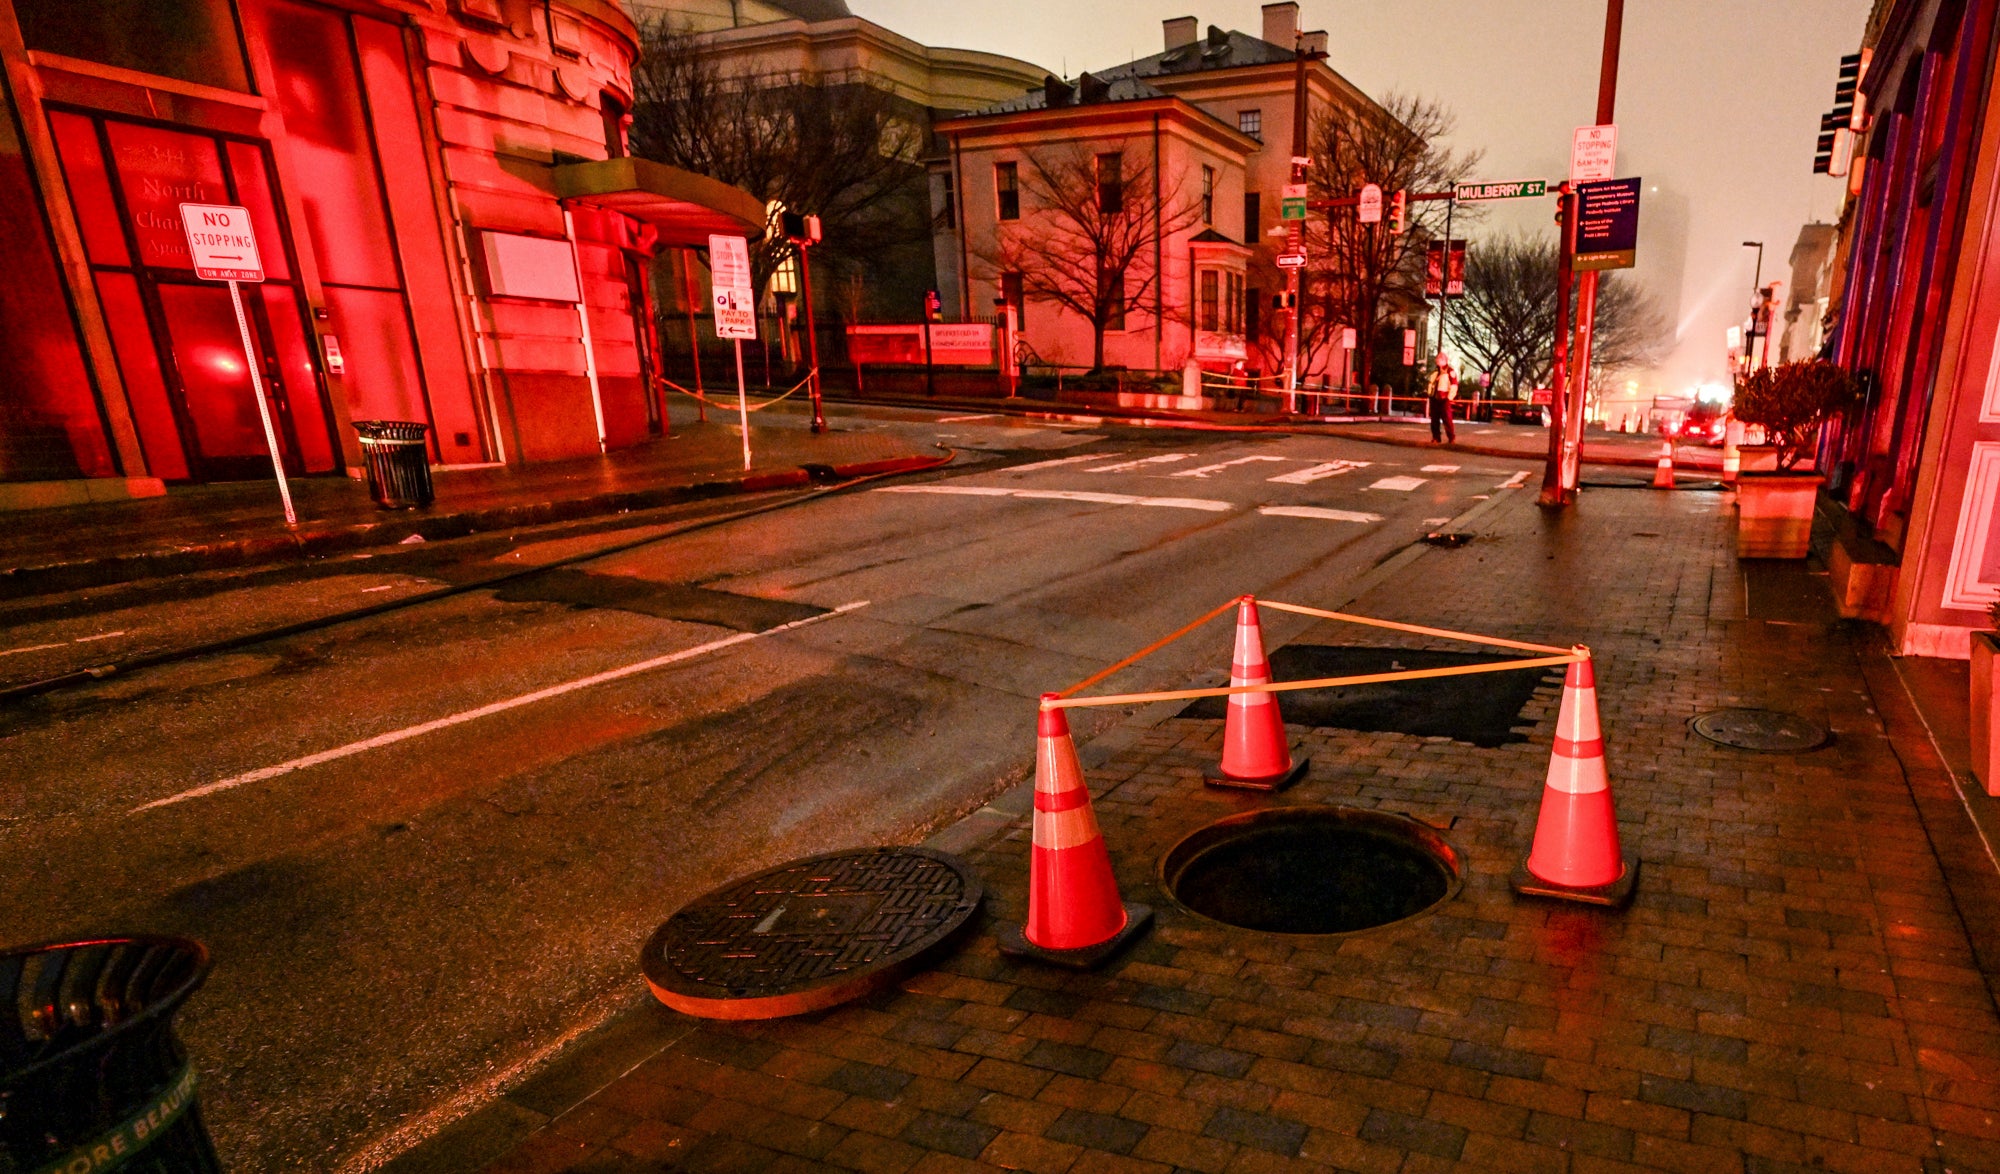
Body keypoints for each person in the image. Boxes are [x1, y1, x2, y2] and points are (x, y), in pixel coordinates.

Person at [1426, 353, 1459, 444]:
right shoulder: (1435, 372)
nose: (1437, 361)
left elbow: (1454, 385)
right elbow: (1431, 384)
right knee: (1434, 420)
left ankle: (1451, 438)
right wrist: (1429, 394)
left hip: (1444, 398)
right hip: (1434, 397)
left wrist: (1449, 398)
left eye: (1438, 360)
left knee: (1447, 419)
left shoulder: (1450, 371)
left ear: (1444, 360)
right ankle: (1436, 437)